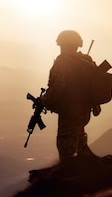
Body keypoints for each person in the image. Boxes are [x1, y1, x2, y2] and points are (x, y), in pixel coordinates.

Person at [40, 30, 98, 162]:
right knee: (80, 140)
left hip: (70, 111)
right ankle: (88, 171)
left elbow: (57, 87)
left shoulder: (62, 62)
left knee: (66, 147)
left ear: (62, 44)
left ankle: (68, 176)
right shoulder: (85, 60)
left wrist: (44, 101)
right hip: (85, 109)